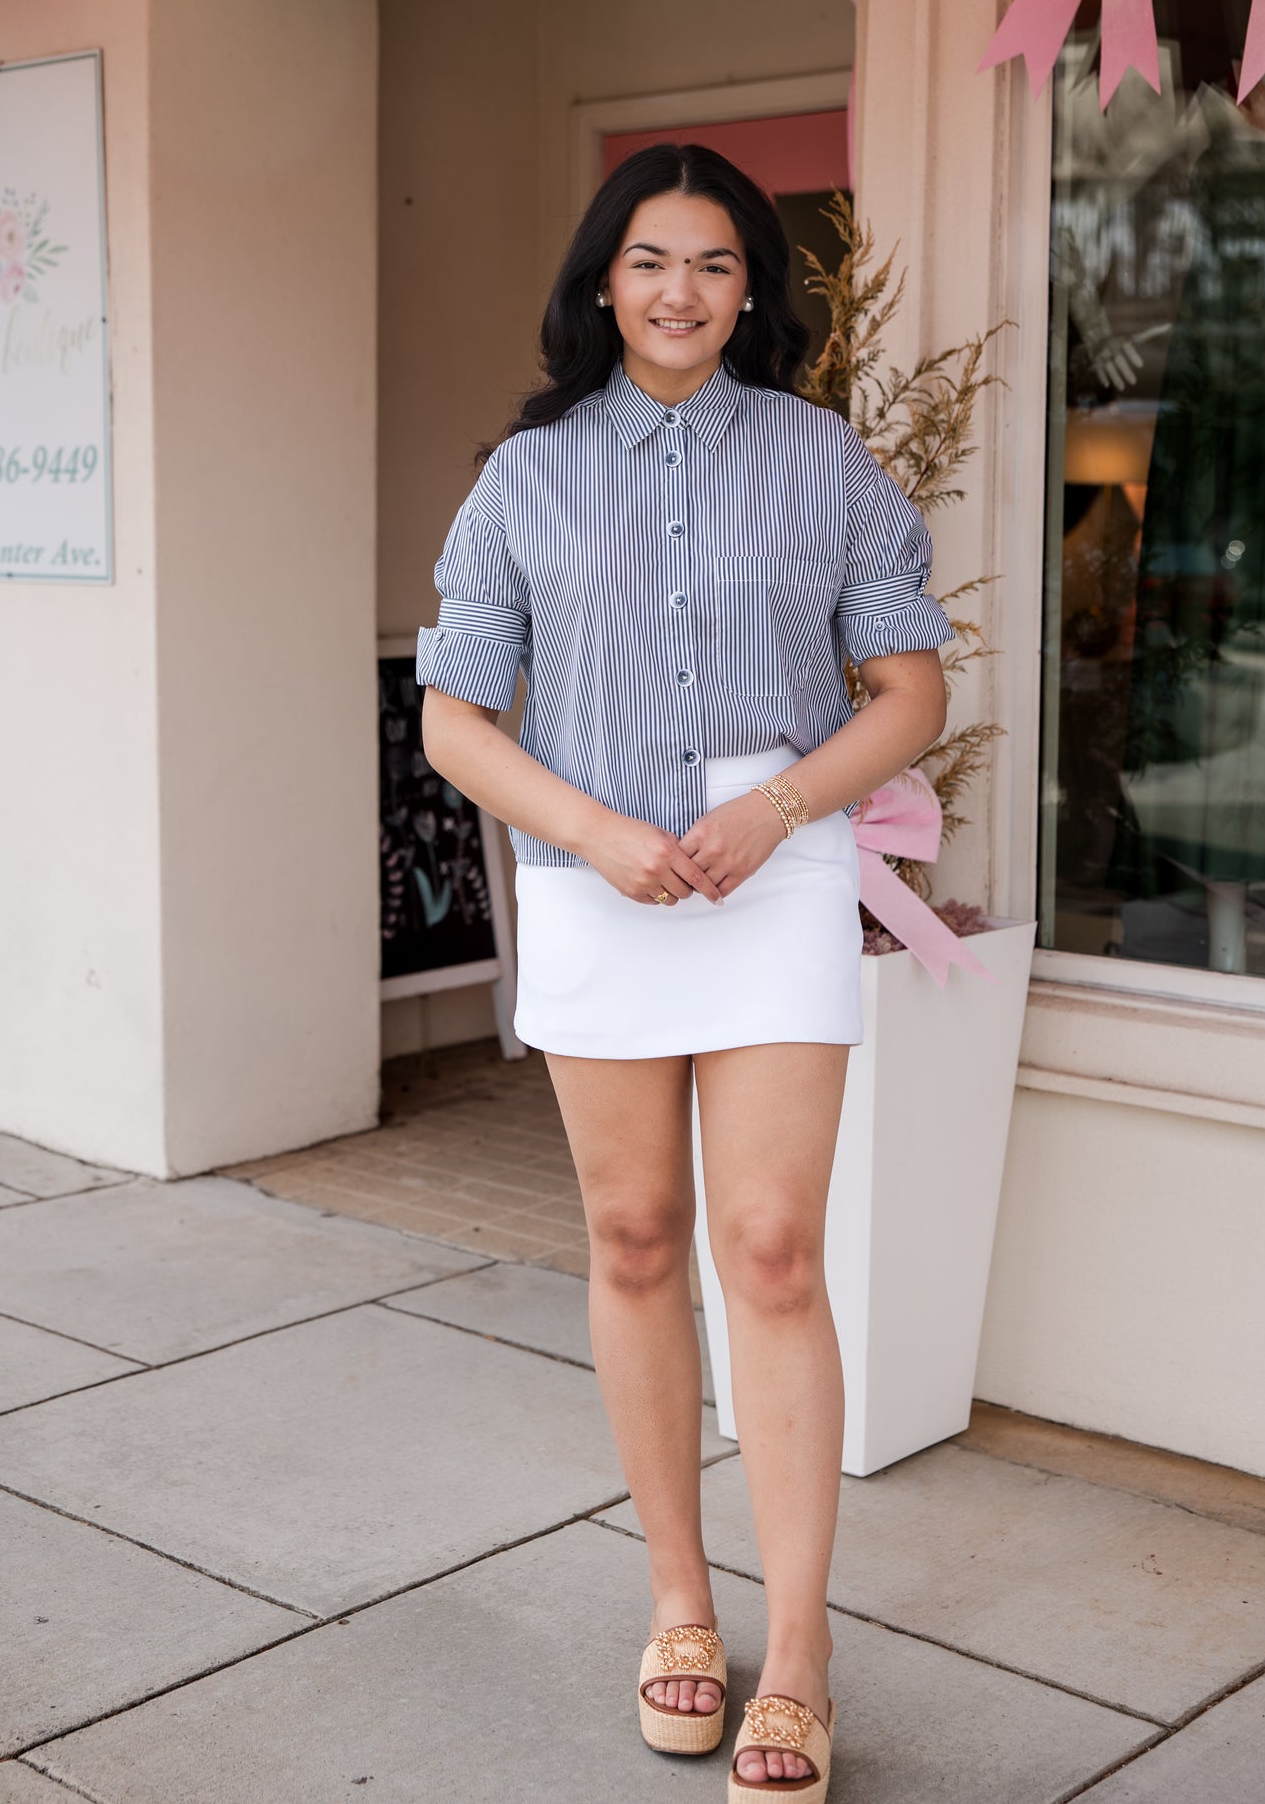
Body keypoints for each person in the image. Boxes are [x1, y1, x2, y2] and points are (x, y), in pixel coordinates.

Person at [417, 142, 953, 1801]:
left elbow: (905, 690)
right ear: (601, 282)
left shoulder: (824, 462)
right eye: (649, 260)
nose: (679, 290)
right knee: (636, 1236)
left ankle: (796, 1647)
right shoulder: (522, 480)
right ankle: (678, 1604)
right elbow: (453, 717)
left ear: (750, 289)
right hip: (597, 875)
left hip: (772, 861)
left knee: (773, 1249)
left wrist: (783, 806)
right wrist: (592, 831)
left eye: (714, 263)